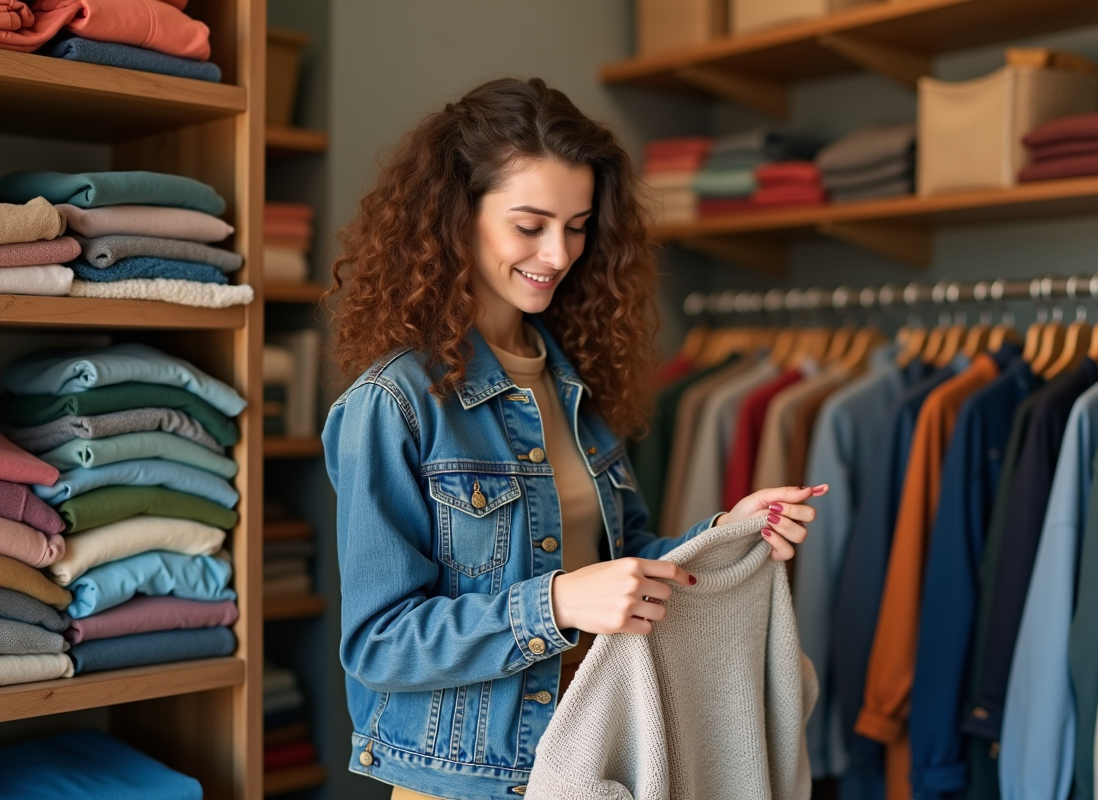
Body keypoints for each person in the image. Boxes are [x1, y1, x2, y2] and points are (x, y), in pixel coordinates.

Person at [323, 77, 823, 800]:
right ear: (456, 218)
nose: (558, 254)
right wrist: (554, 604)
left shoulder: (575, 384)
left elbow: (622, 564)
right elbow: (379, 643)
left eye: (579, 225)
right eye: (530, 226)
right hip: (470, 783)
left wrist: (726, 530)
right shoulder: (394, 403)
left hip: (598, 758)